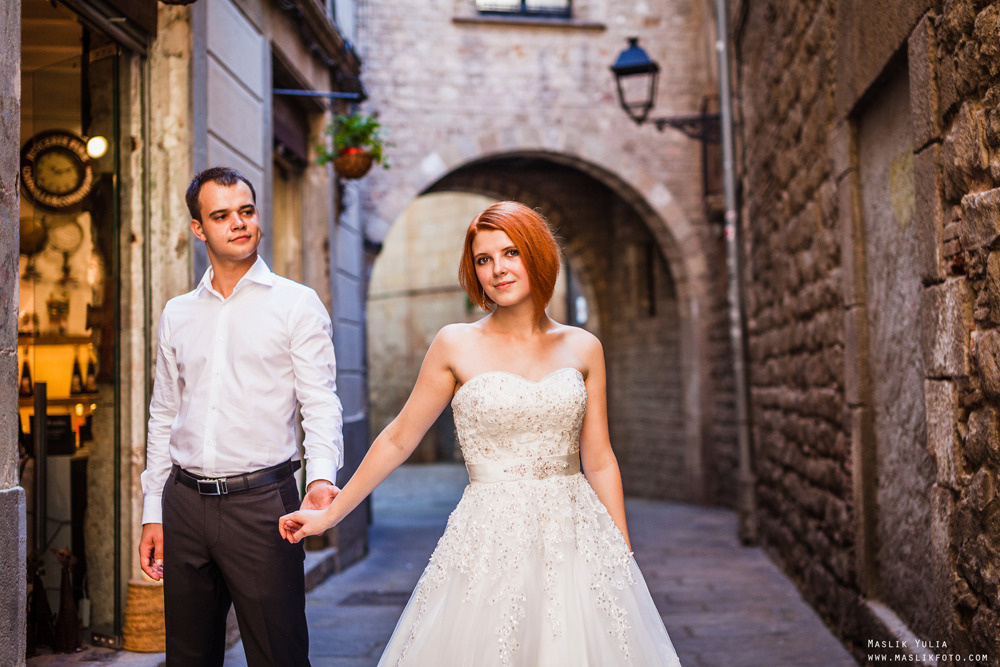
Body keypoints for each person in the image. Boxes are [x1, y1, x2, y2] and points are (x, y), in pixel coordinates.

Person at [280, 201, 681, 665]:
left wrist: (621, 551)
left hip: (577, 537)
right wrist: (331, 515)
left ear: (537, 255)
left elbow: (600, 458)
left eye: (511, 253)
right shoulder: (455, 343)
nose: (498, 270)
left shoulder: (583, 347)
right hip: (489, 538)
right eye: (483, 259)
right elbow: (398, 439)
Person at [138, 166, 344, 666]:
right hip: (184, 504)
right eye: (222, 215)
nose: (239, 223)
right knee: (188, 658)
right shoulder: (177, 313)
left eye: (247, 211)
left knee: (279, 656)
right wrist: (153, 510)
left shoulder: (297, 305)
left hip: (263, 507)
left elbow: (320, 402)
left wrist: (319, 479)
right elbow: (163, 412)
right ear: (198, 228)